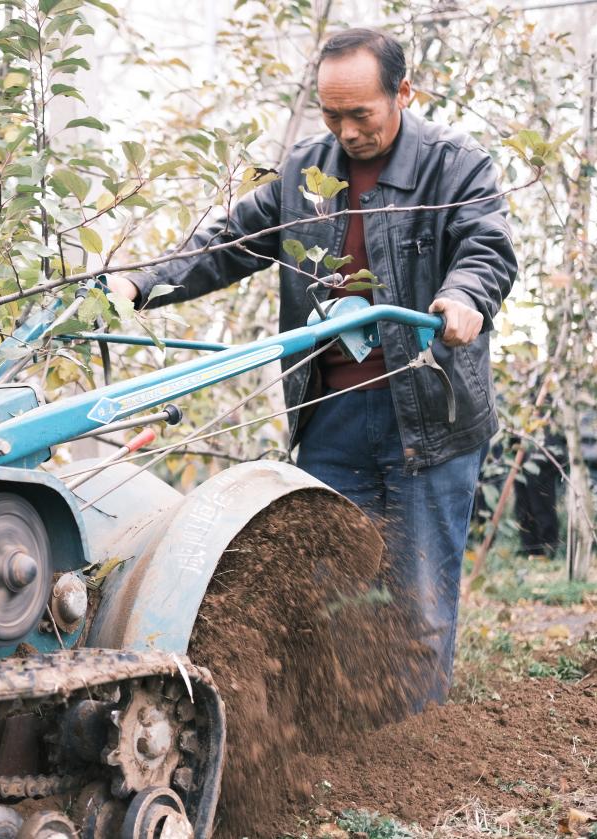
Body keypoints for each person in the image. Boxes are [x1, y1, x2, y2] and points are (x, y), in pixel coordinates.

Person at [108, 28, 517, 709]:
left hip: (427, 410)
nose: (347, 130)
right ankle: (333, 733)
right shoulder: (304, 175)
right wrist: (142, 282)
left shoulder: (455, 165)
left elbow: (488, 246)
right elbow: (228, 244)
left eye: (362, 113)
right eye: (333, 114)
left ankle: (415, 748)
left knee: (419, 605)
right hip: (331, 419)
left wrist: (466, 295)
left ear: (403, 93)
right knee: (316, 591)